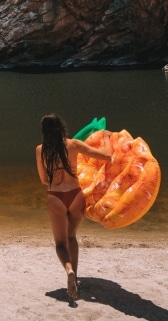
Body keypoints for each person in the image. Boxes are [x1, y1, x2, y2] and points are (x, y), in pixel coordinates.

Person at [35, 113, 113, 300]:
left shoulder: (40, 150)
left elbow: (44, 180)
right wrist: (107, 137)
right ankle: (75, 279)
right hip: (76, 195)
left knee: (60, 243)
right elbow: (106, 156)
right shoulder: (74, 145)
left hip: (56, 197)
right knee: (71, 237)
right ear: (62, 128)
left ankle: (68, 270)